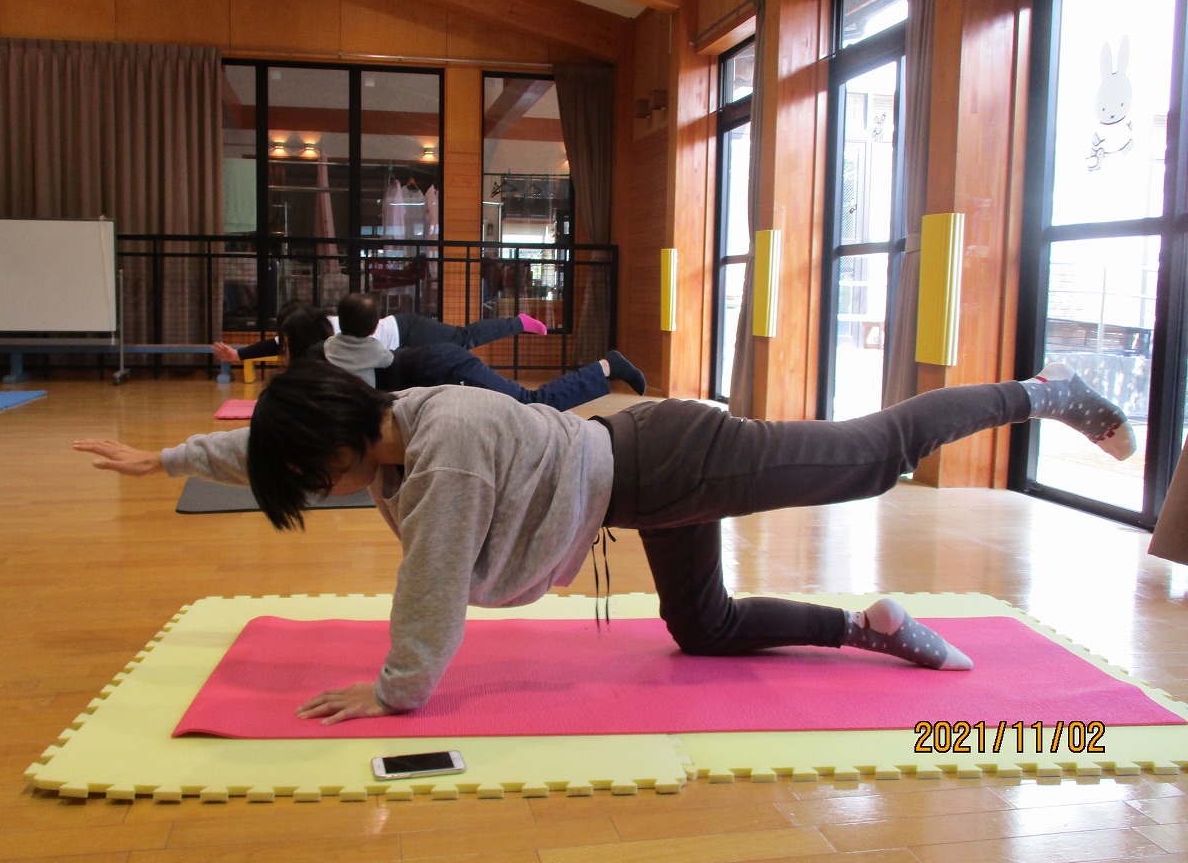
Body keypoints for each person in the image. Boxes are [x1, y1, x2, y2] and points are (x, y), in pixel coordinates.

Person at [74, 359, 1137, 725]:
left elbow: (431, 585)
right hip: (638, 484)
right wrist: (164, 460)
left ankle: (1043, 391)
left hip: (675, 460)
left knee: (871, 455)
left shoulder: (441, 459)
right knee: (705, 629)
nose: (325, 492)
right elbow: (274, 444)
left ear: (344, 444)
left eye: (318, 480)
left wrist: (396, 691)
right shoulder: (384, 419)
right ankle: (869, 630)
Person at [281, 302, 647, 408]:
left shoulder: (344, 355)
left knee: (530, 402)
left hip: (444, 363)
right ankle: (605, 367)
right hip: (434, 363)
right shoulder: (326, 351)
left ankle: (607, 366)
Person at [211, 296, 547, 365]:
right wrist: (239, 354)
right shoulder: (312, 333)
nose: (285, 343)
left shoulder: (332, 330)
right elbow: (275, 343)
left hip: (406, 330)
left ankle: (518, 322)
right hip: (398, 343)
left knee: (463, 339)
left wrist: (239, 355)